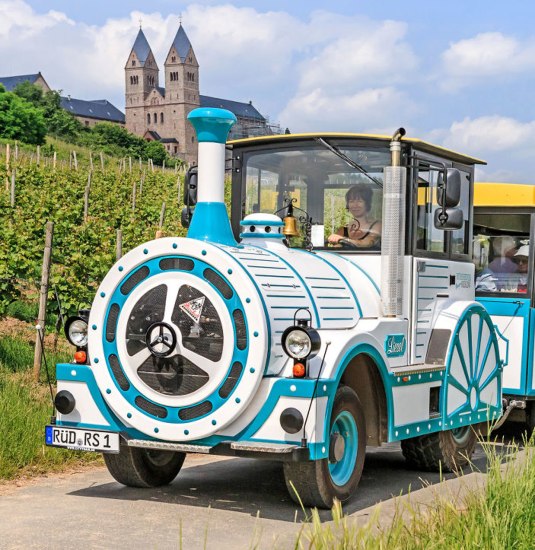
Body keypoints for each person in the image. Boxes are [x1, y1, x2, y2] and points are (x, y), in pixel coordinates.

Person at [328, 184, 381, 248]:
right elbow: (336, 250)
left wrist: (342, 239)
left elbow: (366, 243)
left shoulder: (377, 226)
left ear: (367, 204)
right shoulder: (343, 230)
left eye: (359, 201)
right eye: (351, 201)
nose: (355, 205)